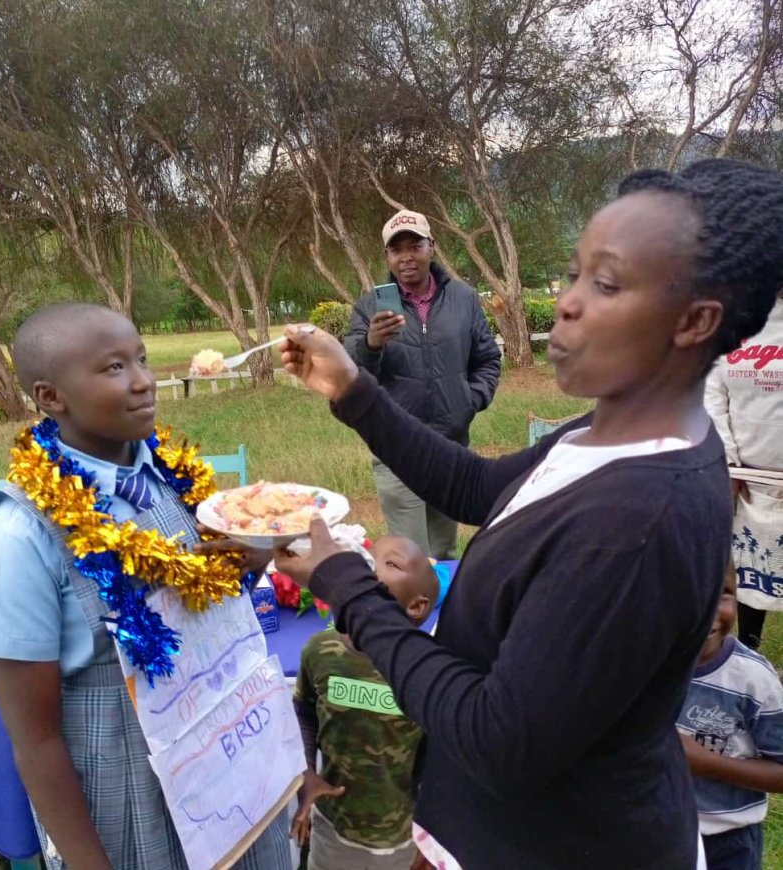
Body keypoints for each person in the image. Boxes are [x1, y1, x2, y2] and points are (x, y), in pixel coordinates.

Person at [276, 159, 783, 869]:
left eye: (604, 283)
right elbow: (480, 488)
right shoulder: (610, 430)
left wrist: (351, 588)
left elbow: (498, 739)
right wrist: (355, 389)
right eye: (574, 274)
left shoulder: (635, 521)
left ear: (694, 321)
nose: (568, 303)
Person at [0, 303, 291, 870]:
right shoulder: (19, 537)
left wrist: (252, 562)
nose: (144, 380)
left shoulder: (173, 479)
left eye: (141, 359)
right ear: (51, 397)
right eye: (114, 368)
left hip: (228, 762)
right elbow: (35, 740)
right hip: (130, 793)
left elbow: (206, 605)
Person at [344, 209, 501, 560]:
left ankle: (446, 617)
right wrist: (371, 345)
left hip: (450, 447)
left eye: (415, 246)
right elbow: (351, 373)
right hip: (396, 446)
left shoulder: (464, 299)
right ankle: (415, 615)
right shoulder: (370, 306)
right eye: (396, 250)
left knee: (444, 552)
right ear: (387, 256)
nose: (406, 257)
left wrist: (470, 399)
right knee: (410, 556)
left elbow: (488, 359)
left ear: (432, 246)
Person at [290, 535, 439, 870]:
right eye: (368, 556)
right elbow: (302, 711)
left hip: (400, 838)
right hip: (332, 829)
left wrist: (433, 836)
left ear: (417, 605)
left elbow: (444, 757)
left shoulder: (427, 668)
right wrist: (306, 773)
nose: (367, 565)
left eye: (391, 563)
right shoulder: (321, 651)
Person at [677, 563, 783, 870]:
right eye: (687, 595)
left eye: (722, 593)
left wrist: (709, 764)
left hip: (727, 842)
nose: (707, 610)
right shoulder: (643, 668)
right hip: (657, 834)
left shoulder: (754, 680)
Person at [704, 290, 783, 649]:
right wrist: (730, 462)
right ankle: (751, 652)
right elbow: (713, 392)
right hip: (746, 482)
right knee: (749, 573)